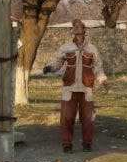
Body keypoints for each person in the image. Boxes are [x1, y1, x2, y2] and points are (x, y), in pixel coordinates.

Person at [42, 19, 108, 153]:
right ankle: (67, 145)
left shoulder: (92, 48)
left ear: (85, 30)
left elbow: (98, 66)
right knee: (66, 117)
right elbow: (57, 62)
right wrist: (49, 67)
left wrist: (102, 77)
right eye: (74, 26)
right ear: (72, 30)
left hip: (87, 88)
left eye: (79, 26)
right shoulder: (65, 47)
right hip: (69, 88)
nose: (76, 28)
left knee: (88, 118)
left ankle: (87, 144)